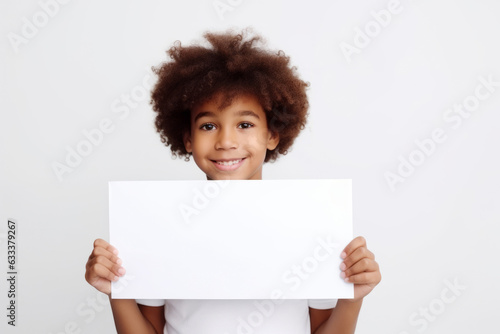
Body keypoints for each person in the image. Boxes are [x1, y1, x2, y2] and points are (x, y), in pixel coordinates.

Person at [85, 27, 381, 334]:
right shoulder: (161, 224)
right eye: (209, 125)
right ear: (187, 139)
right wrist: (116, 291)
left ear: (272, 135)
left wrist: (352, 298)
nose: (226, 141)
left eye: (244, 124)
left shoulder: (307, 220)